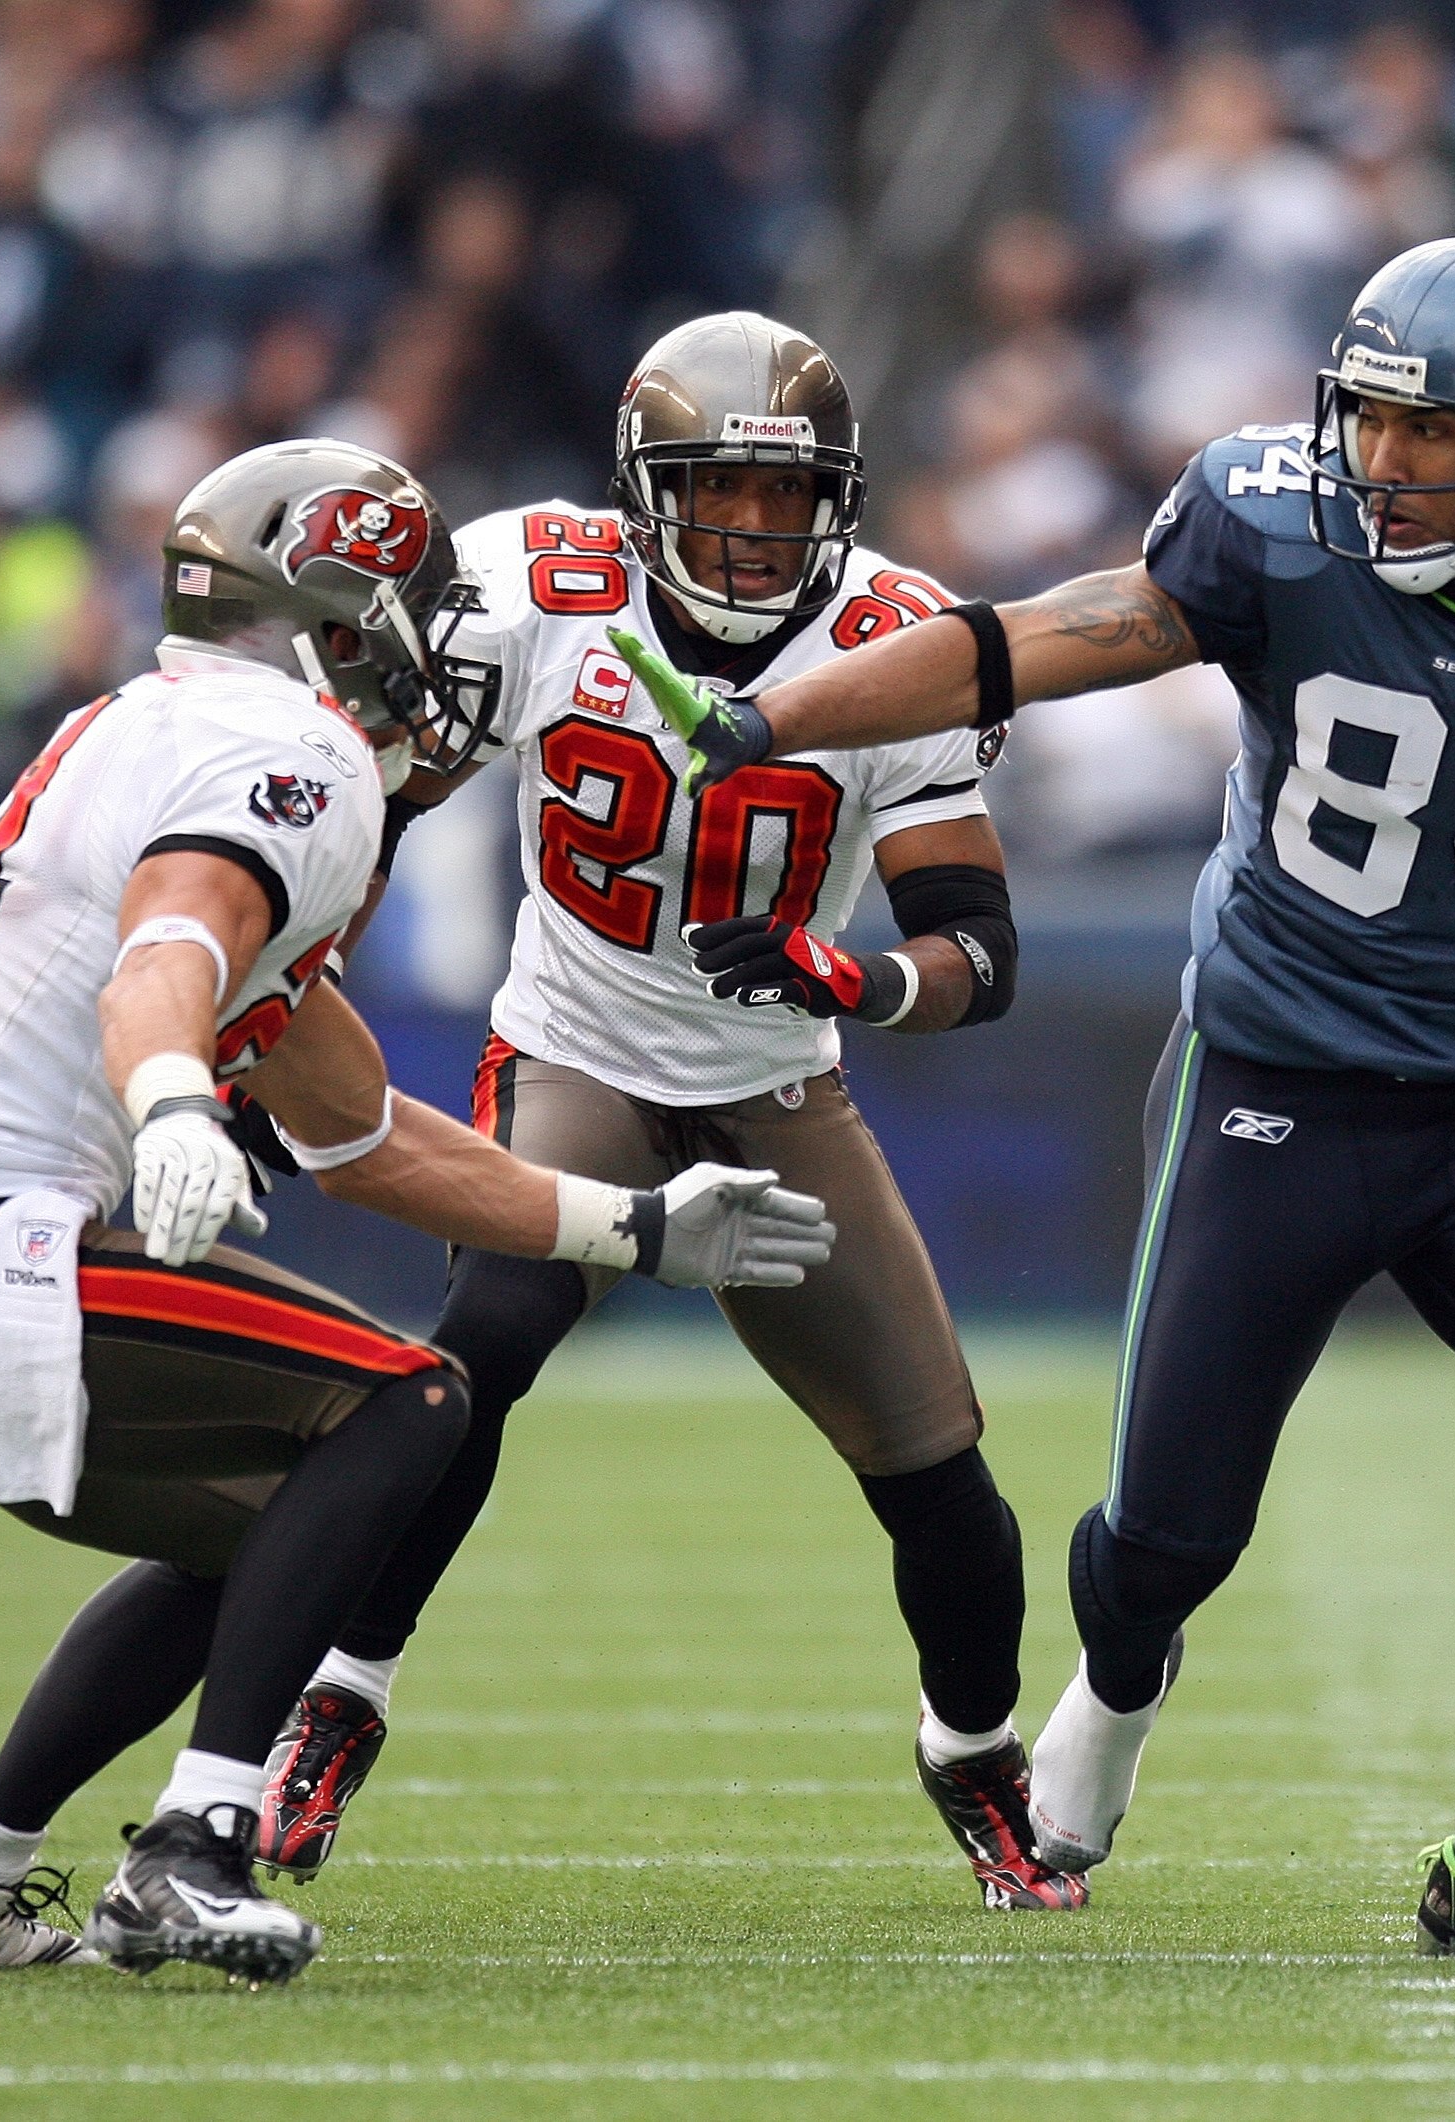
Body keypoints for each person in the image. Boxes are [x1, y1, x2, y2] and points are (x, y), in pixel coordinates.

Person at [646, 238, 1455, 1957]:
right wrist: (767, 715)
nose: (1379, 463)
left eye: (1427, 433)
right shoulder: (1270, 525)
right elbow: (1021, 644)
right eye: (1366, 422)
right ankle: (1122, 1673)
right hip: (1272, 1081)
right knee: (1161, 1541)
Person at [0, 440, 831, 1984]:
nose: (445, 649)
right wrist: (168, 1102)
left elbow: (355, 1136)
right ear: (341, 619)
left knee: (279, 1534)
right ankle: (193, 1850)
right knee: (407, 1404)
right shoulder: (295, 753)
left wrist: (634, 1227)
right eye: (417, 607)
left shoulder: (161, 721)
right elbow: (170, 952)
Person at [258, 314, 1081, 1912]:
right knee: (469, 1358)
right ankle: (336, 1696)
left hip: (776, 1089)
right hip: (574, 1058)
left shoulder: (897, 634)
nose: (758, 530)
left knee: (943, 1485)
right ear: (645, 487)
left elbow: (975, 950)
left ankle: (971, 1749)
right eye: (722, 491)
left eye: (790, 499)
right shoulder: (535, 593)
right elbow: (363, 806)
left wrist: (849, 978)